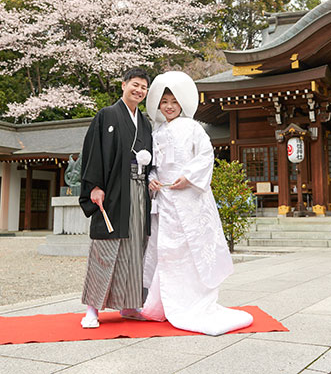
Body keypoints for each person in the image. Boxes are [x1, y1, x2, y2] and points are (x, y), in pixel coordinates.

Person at [141, 71, 253, 336]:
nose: (168, 106)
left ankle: (192, 301)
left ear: (182, 104)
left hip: (190, 196)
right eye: (164, 101)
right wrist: (152, 180)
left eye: (174, 101)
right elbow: (153, 166)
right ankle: (162, 304)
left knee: (192, 251)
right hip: (165, 200)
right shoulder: (155, 132)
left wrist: (188, 177)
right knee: (166, 252)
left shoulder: (193, 128)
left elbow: (205, 156)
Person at [78, 67, 153, 328]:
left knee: (135, 248)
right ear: (123, 85)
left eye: (143, 87)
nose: (139, 90)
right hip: (113, 191)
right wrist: (94, 186)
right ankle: (92, 310)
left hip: (138, 189)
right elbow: (93, 152)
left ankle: (130, 305)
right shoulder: (107, 115)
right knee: (106, 247)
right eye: (135, 84)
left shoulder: (144, 122)